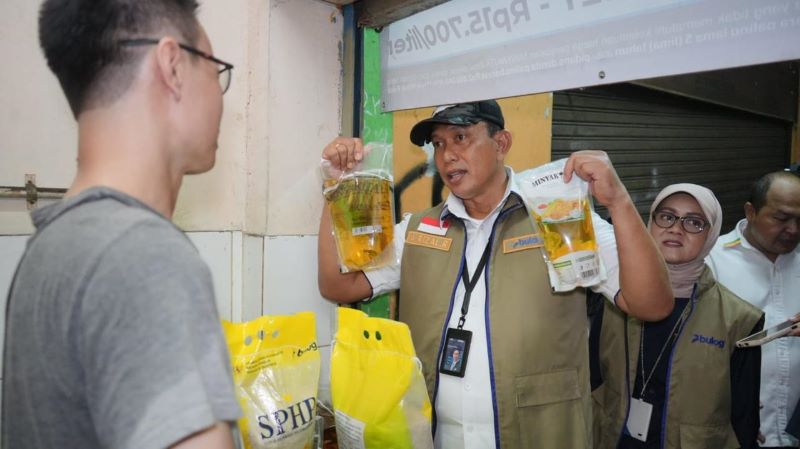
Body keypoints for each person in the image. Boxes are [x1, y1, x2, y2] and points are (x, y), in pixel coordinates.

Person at [317, 100, 673, 448]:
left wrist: (619, 202)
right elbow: (339, 283)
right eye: (438, 144)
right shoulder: (420, 229)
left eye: (461, 138)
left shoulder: (557, 214)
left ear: (501, 143)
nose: (446, 155)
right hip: (436, 436)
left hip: (540, 435)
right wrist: (337, 189)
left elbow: (652, 305)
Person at [2, 1, 241, 448]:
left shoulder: (52, 244)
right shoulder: (143, 258)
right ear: (172, 66)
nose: (219, 94)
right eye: (215, 68)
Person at [590, 184, 764, 449]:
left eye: (694, 222)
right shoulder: (614, 296)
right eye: (667, 216)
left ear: (711, 234)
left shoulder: (740, 320)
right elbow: (592, 382)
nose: (676, 228)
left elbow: (744, 418)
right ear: (650, 223)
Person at [707, 171, 800, 448]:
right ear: (751, 211)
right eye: (781, 218)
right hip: (735, 432)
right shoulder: (711, 263)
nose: (793, 230)